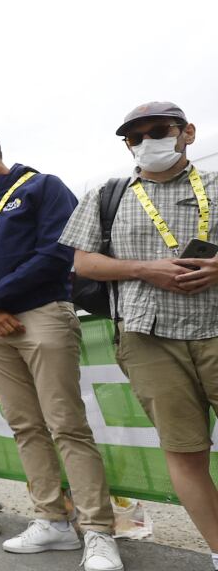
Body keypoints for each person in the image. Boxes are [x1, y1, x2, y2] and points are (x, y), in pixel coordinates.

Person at [0, 129, 122, 571]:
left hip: (42, 314)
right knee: (24, 425)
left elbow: (57, 252)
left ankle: (97, 530)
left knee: (66, 424)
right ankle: (52, 519)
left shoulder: (43, 187)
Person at [60, 102, 218, 571]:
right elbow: (83, 262)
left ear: (186, 131)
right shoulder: (106, 195)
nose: (148, 142)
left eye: (159, 131)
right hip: (147, 338)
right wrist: (146, 269)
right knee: (185, 451)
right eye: (136, 137)